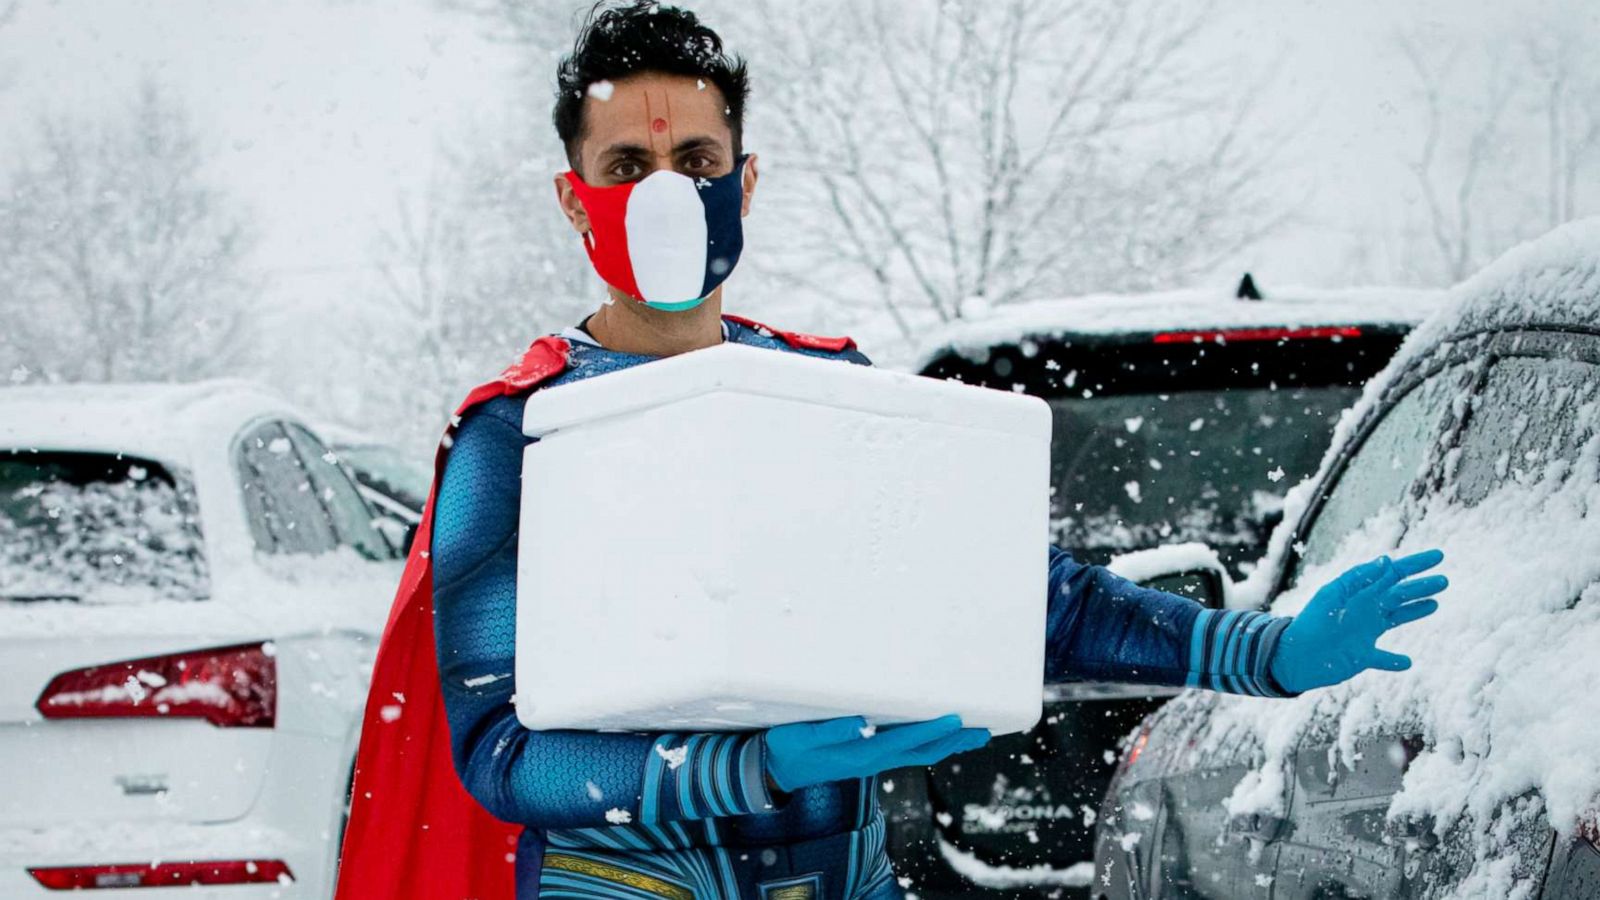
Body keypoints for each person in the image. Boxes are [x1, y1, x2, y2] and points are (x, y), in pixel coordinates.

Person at [334, 4, 1448, 899]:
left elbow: (1022, 599)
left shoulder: (831, 393)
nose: (664, 190)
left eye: (697, 156)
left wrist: (1257, 653)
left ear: (745, 181)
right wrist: (741, 769)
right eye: (626, 162)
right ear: (575, 201)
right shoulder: (513, 435)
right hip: (618, 885)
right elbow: (500, 755)